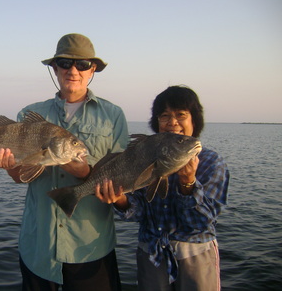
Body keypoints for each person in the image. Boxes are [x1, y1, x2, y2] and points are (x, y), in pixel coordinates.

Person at [0, 33, 129, 291]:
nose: (73, 70)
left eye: (82, 64)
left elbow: (121, 178)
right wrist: (10, 166)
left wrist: (87, 172)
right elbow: (21, 176)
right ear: (54, 68)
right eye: (64, 63)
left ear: (92, 69)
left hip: (90, 247)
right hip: (40, 246)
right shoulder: (31, 114)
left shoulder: (113, 116)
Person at [95, 85, 229, 291]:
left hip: (195, 256)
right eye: (164, 116)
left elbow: (202, 222)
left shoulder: (212, 162)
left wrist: (188, 185)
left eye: (181, 115)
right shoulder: (145, 155)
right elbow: (138, 213)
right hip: (151, 254)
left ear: (195, 120)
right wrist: (120, 200)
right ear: (156, 122)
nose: (172, 122)